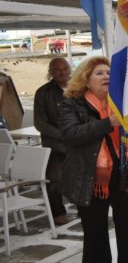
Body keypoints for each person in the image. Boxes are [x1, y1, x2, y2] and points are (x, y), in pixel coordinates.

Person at [59, 56, 128, 263]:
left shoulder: (121, 102)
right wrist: (107, 122)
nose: (106, 77)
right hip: (92, 178)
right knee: (96, 232)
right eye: (99, 73)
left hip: (123, 172)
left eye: (109, 73)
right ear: (86, 79)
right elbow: (71, 135)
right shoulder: (72, 104)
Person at [34, 57, 71, 225]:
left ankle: (84, 206)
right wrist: (62, 134)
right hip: (56, 146)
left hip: (78, 143)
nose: (62, 72)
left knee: (86, 176)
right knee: (54, 180)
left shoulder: (79, 88)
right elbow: (40, 123)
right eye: (57, 70)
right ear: (51, 73)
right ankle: (58, 213)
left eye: (65, 68)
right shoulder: (43, 93)